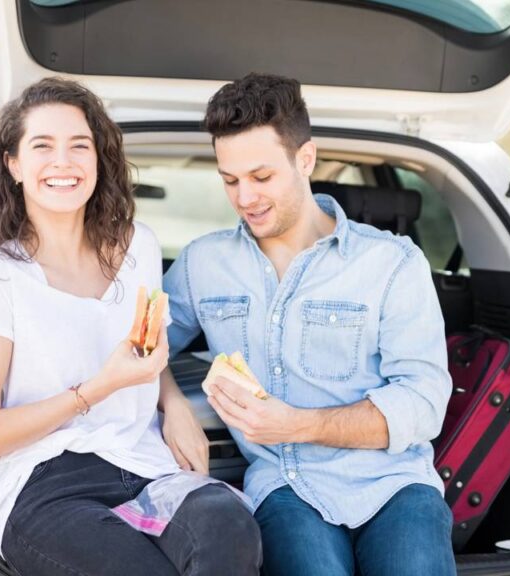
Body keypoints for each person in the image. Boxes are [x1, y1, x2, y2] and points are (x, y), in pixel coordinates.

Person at [0, 77, 262, 576]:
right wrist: (96, 389)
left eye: (79, 145)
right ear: (14, 165)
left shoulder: (138, 248)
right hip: (44, 484)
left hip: (142, 464)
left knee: (227, 526)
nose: (63, 162)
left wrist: (173, 403)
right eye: (42, 146)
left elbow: (143, 349)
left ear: (98, 159)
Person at [163, 73, 456, 576]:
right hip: (284, 484)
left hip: (395, 483)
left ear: (306, 159)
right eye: (230, 180)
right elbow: (138, 349)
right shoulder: (200, 264)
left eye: (261, 177)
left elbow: (425, 402)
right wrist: (171, 404)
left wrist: (297, 424)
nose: (245, 198)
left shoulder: (392, 263)